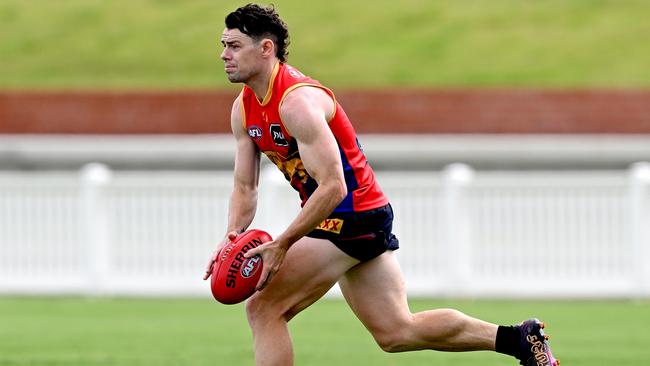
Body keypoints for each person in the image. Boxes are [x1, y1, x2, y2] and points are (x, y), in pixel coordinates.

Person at [204, 4, 559, 366]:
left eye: (233, 45)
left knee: (264, 308)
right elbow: (245, 187)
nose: (223, 55)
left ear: (266, 48)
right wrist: (231, 236)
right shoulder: (243, 108)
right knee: (396, 332)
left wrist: (282, 244)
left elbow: (333, 187)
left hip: (347, 215)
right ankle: (519, 339)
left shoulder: (296, 102)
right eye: (223, 45)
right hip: (354, 216)